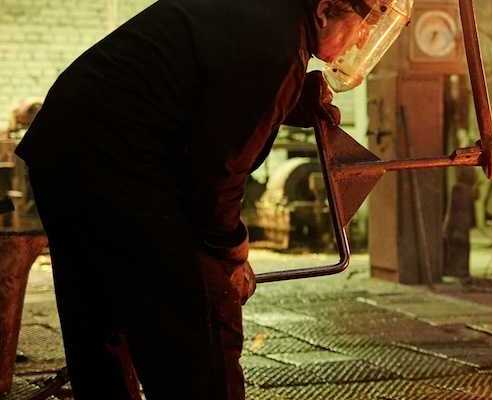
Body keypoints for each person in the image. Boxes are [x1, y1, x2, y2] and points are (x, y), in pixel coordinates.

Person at [15, 0, 412, 398]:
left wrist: (288, 98)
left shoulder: (269, 22)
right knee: (197, 330)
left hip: (65, 152)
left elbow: (205, 82)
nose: (363, 38)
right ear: (324, 10)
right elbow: (217, 175)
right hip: (118, 166)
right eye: (364, 23)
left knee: (100, 327)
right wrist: (231, 252)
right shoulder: (277, 44)